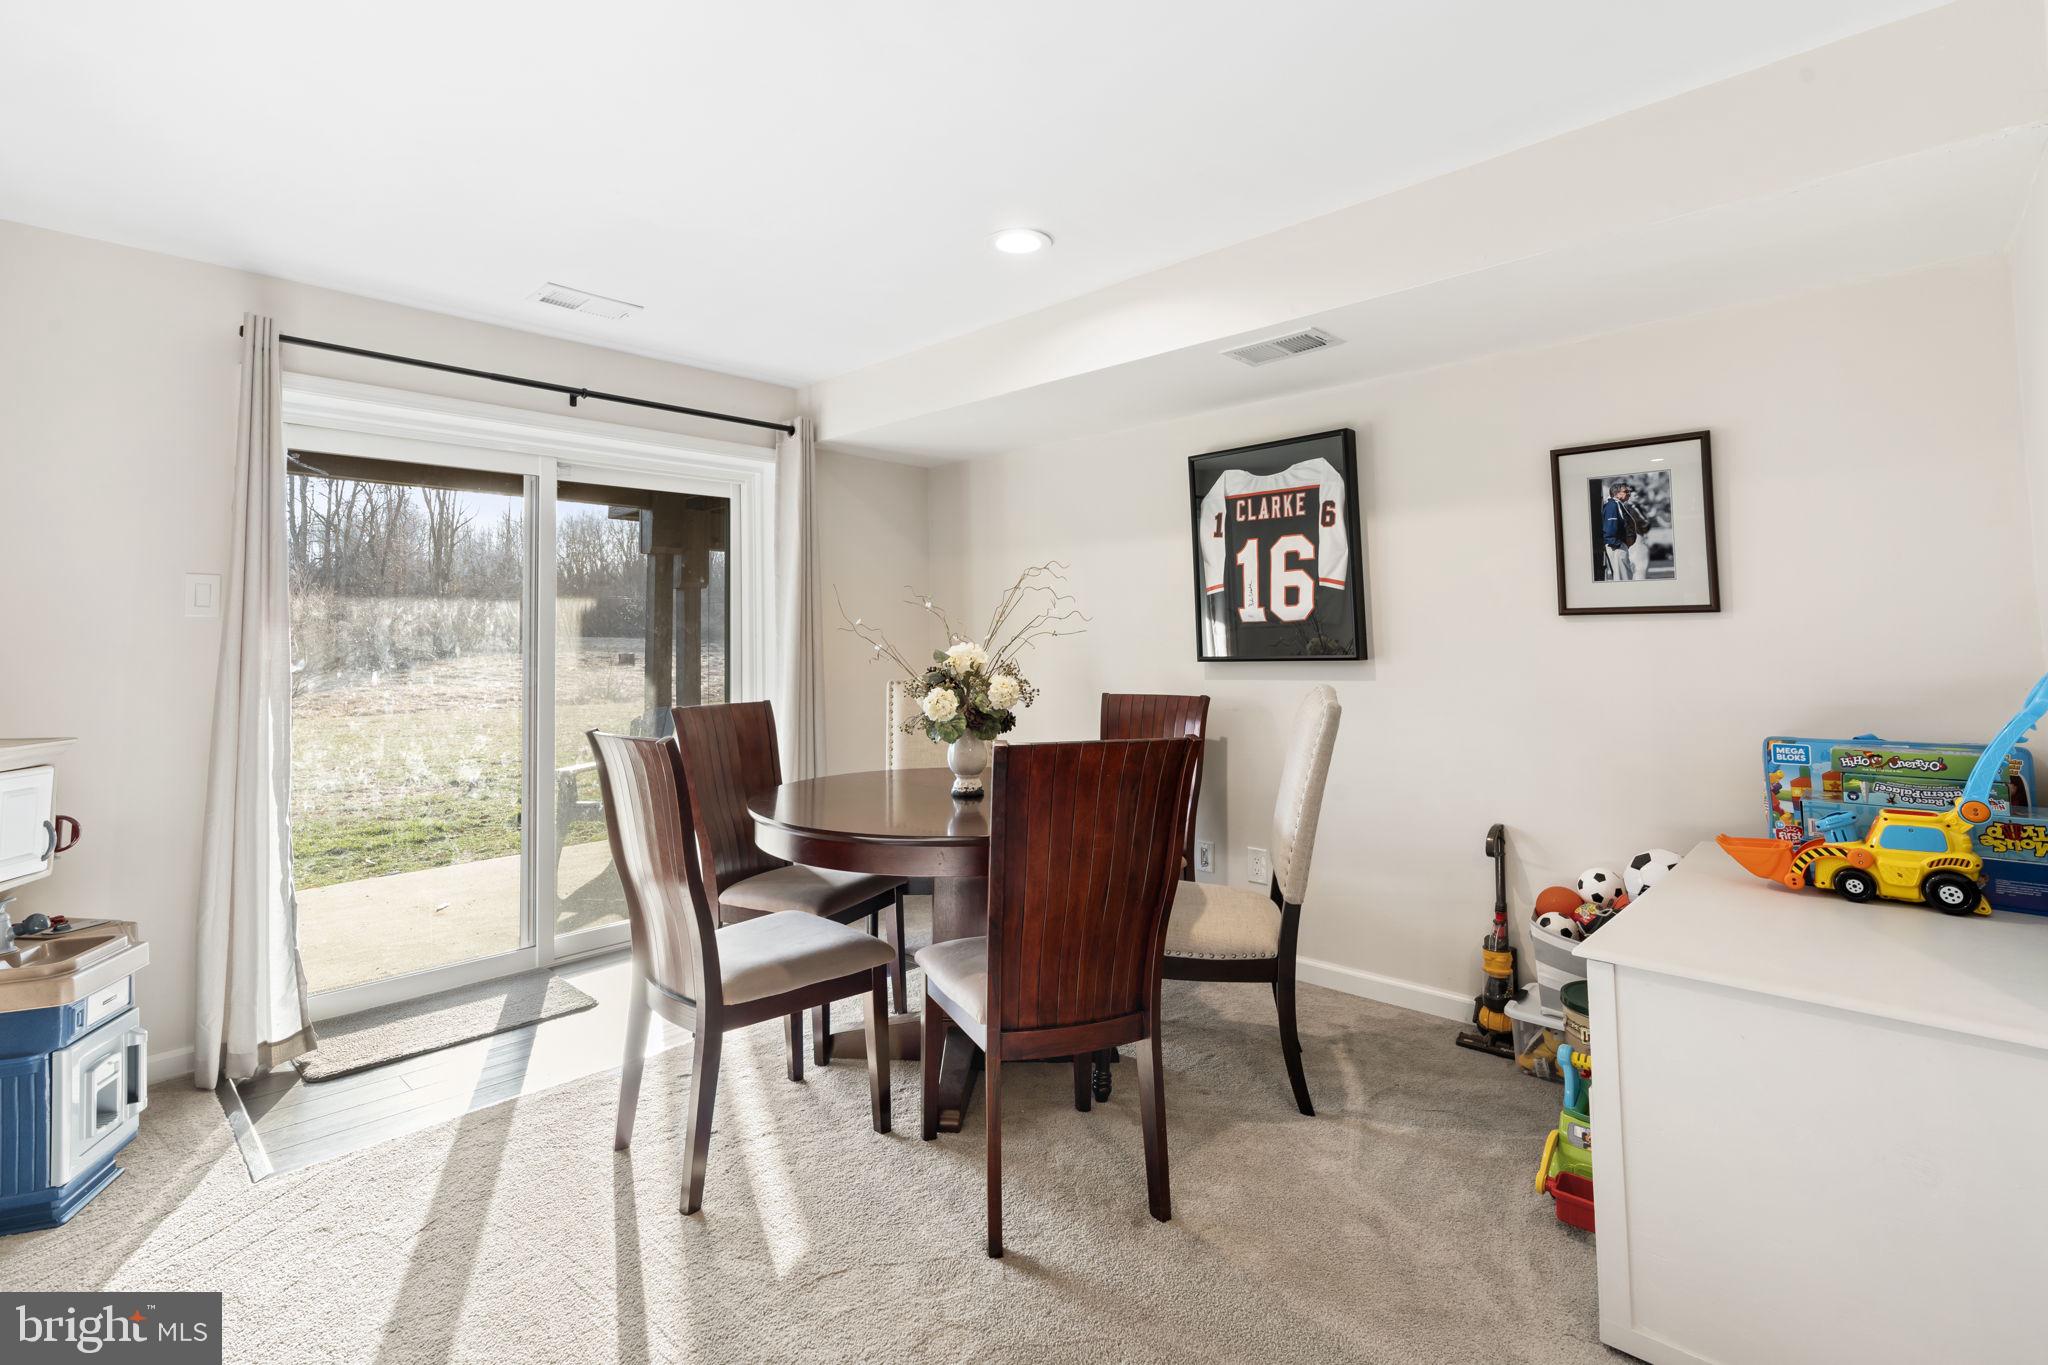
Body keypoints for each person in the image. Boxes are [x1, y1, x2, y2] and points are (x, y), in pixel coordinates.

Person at [1600, 480, 1651, 581]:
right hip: (1616, 546)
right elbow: (1610, 527)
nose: (1629, 493)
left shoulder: (1617, 504)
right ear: (1617, 493)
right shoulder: (1612, 505)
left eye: (1629, 491)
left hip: (1619, 545)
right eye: (1626, 491)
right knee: (1623, 578)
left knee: (1625, 576)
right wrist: (1617, 544)